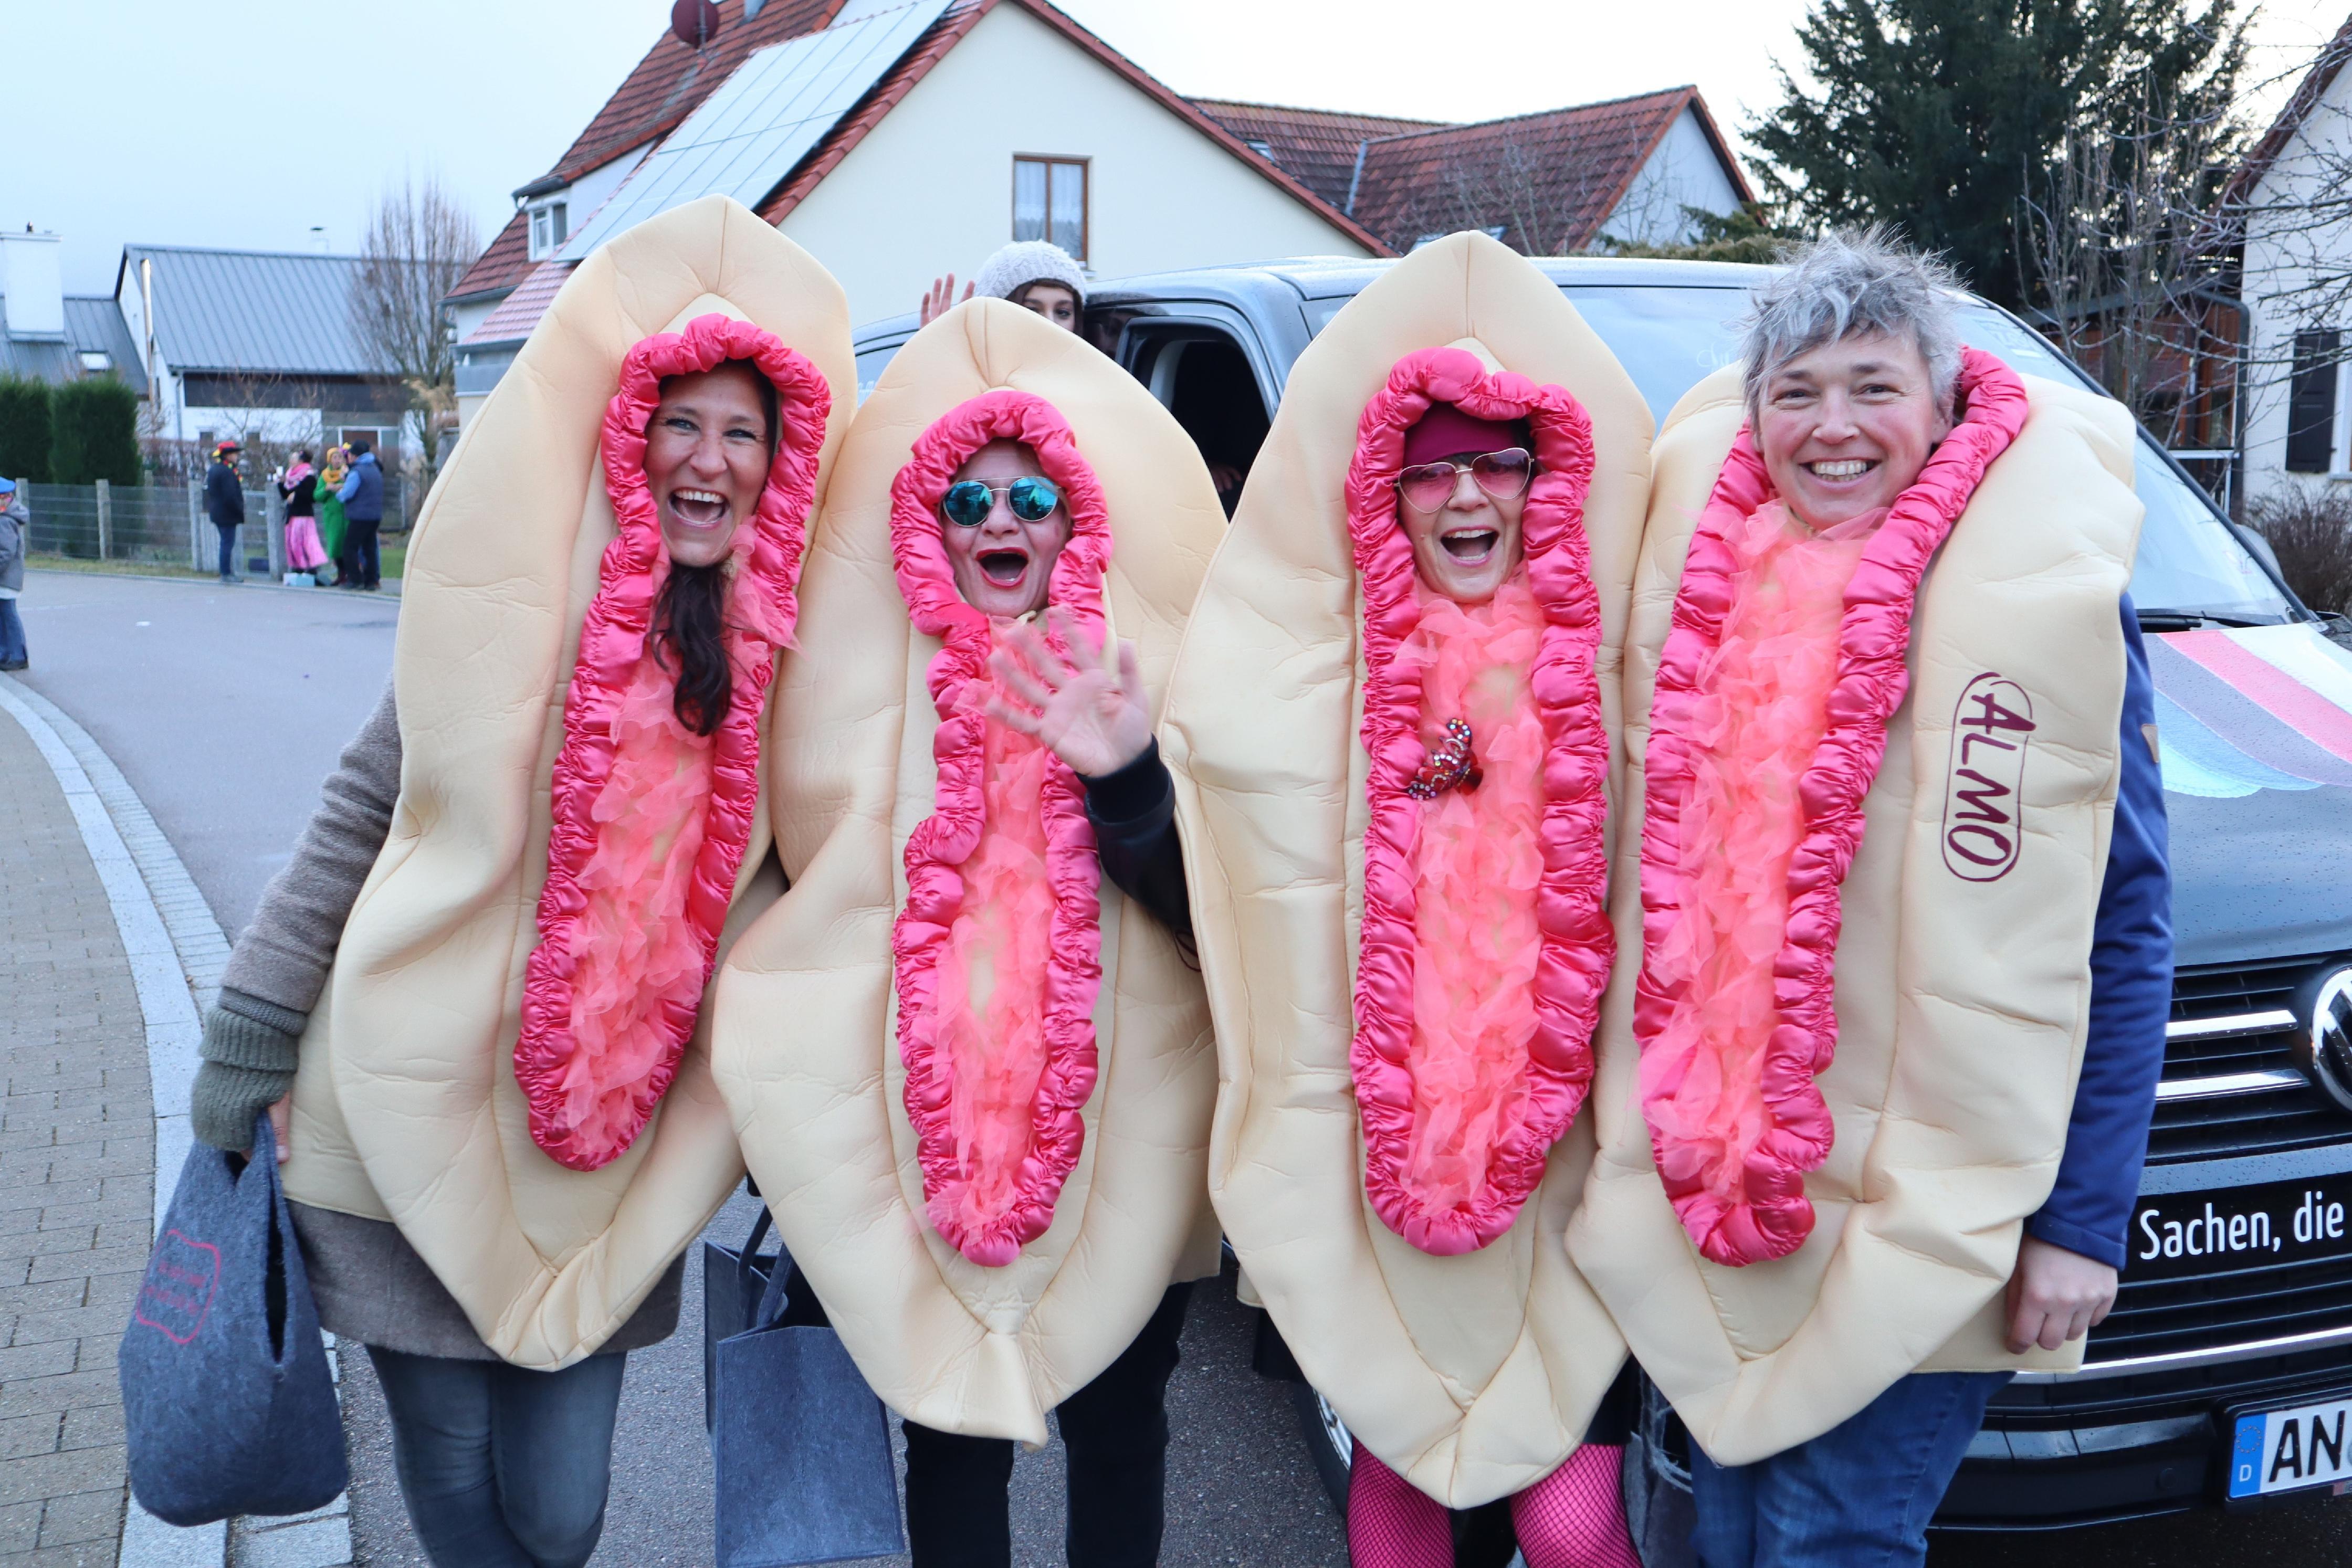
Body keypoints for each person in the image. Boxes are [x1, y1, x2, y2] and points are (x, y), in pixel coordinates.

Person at [187, 229, 848, 1568]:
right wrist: (250, 1024)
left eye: (741, 432)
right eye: (681, 423)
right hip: (404, 1102)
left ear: (779, 466)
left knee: (558, 1502)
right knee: (445, 1468)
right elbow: (361, 804)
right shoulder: (511, 603)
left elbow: (816, 893)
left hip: (603, 1150)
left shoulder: (796, 669)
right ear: (631, 437)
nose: (708, 458)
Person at [1567, 229, 2170, 1568]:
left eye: (1871, 385)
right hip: (1715, 1193)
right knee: (1710, 1535)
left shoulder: (2039, 598)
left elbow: (2123, 920)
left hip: (1929, 1198)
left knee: (1832, 1540)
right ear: (1755, 415)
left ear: (1944, 400)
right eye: (1797, 391)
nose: (1833, 426)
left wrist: (2084, 1219)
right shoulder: (1698, 583)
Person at [1160, 233, 1656, 1566]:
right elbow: (1232, 864)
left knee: (1568, 1523)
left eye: (1495, 461)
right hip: (1378, 1157)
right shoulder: (1329, 684)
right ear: (1391, 496)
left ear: (1541, 482)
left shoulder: (1614, 671)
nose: (1465, 494)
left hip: (1568, 1167)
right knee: (1402, 1492)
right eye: (1431, 469)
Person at [713, 300, 1225, 1568]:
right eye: (969, 500)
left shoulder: (1151, 672)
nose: (1002, 521)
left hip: (1125, 1132)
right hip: (923, 1128)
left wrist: (1127, 779)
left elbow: (1220, 925)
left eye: (1034, 496)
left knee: (1120, 1427)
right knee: (946, 1431)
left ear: (1077, 522)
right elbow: (806, 893)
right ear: (926, 529)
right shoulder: (853, 695)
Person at [918, 238, 1085, 333]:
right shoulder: (969, 381)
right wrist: (937, 355)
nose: (1050, 323)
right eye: (1031, 311)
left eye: (1063, 313)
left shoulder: (1094, 384)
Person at [337, 438, 385, 590]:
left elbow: (347, 494)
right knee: (370, 548)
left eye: (350, 454)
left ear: (354, 456)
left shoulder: (357, 471)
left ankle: (355, 579)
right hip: (375, 515)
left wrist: (339, 493)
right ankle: (371, 581)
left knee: (350, 547)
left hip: (359, 516)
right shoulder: (375, 469)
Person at [278, 449, 328, 582]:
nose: (291, 461)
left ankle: (311, 568)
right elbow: (286, 495)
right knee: (293, 542)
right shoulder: (290, 477)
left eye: (294, 459)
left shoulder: (309, 476)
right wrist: (281, 484)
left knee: (305, 541)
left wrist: (297, 496)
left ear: (301, 461)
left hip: (304, 515)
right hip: (292, 514)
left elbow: (311, 497)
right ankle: (298, 567)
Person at [204, 439, 244, 584]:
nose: (237, 457)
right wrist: (239, 509)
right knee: (227, 543)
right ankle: (226, 573)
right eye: (234, 454)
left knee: (226, 542)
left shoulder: (215, 469)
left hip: (218, 512)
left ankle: (227, 572)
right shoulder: (227, 472)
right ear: (227, 456)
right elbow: (230, 495)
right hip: (227, 513)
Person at [0, 476, 27, 671]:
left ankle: (18, 655)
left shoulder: (5, 521)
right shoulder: (7, 518)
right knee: (4, 616)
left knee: (8, 616)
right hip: (7, 578)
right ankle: (6, 653)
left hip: (6, 578)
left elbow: (6, 552)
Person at [315, 445, 350, 583]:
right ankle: (341, 574)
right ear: (330, 460)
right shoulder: (324, 476)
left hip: (347, 514)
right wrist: (327, 489)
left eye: (340, 457)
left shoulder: (346, 473)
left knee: (348, 544)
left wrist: (344, 485)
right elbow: (317, 495)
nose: (337, 460)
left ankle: (349, 574)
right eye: (335, 458)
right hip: (332, 516)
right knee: (335, 545)